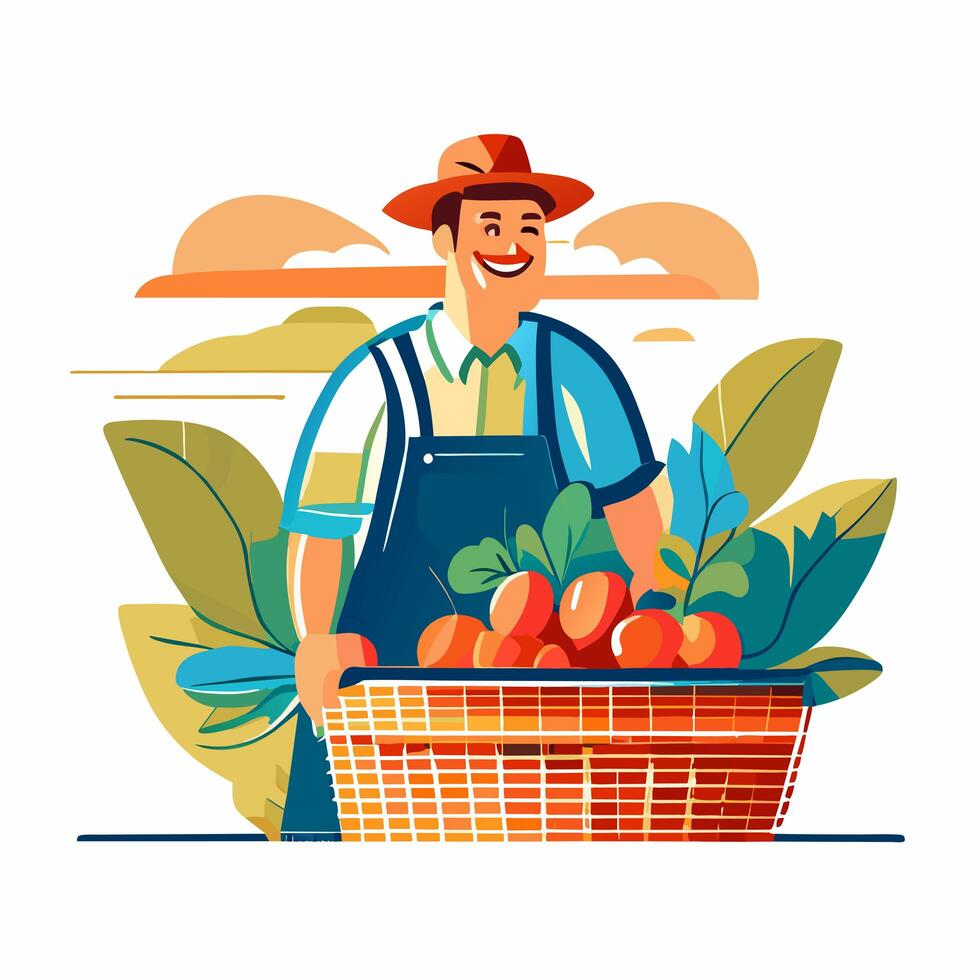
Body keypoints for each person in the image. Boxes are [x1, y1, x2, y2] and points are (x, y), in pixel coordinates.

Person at [278, 135, 665, 838]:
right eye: (492, 226)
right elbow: (323, 527)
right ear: (445, 239)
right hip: (388, 685)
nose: (514, 245)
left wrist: (656, 619)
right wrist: (317, 640)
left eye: (531, 228)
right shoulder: (377, 377)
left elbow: (638, 523)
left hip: (545, 681)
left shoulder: (577, 372)